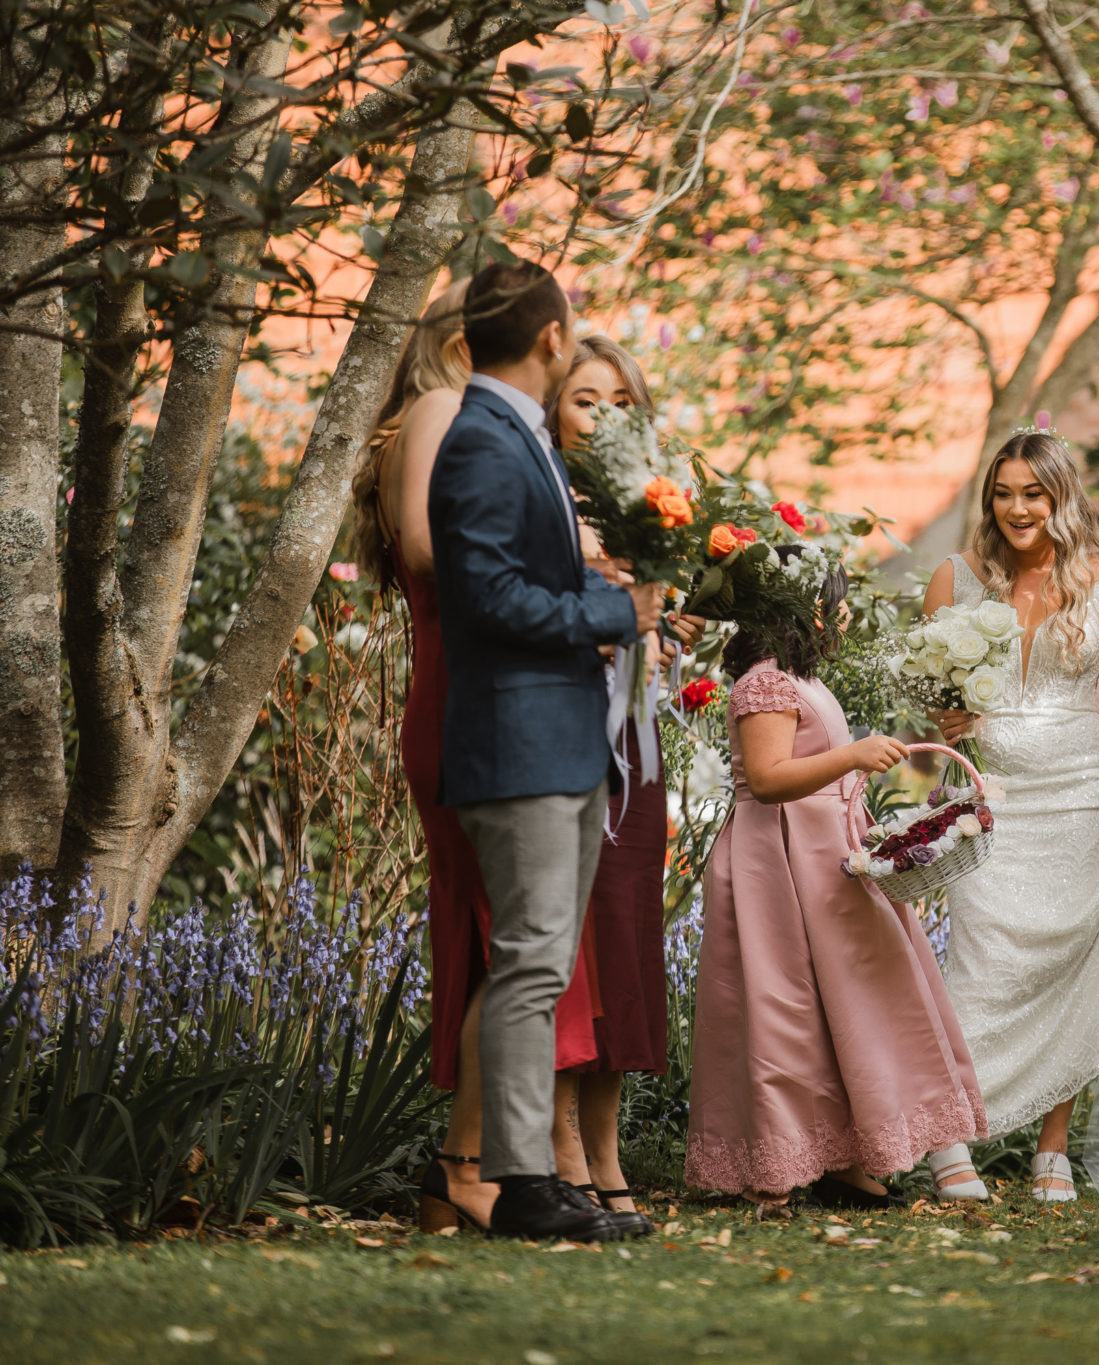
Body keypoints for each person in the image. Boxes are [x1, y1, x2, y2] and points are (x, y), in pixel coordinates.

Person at [348, 282, 606, 1235]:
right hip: (475, 692)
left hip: (515, 687)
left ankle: (488, 1164)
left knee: (518, 938)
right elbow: (428, 548)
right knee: (511, 935)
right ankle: (474, 1165)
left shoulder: (484, 420)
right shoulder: (443, 412)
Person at [427, 256, 665, 1243]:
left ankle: (530, 1175)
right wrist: (613, 609)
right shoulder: (482, 439)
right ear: (552, 340)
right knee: (530, 963)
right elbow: (481, 596)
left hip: (559, 743)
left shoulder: (511, 434)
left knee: (537, 963)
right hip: (516, 744)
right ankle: (521, 1183)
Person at [685, 550, 988, 1213]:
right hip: (776, 865)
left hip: (825, 856)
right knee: (784, 1008)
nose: (843, 612)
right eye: (835, 597)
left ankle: (846, 1160)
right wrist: (852, 754)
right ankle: (780, 1161)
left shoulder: (800, 678)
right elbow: (766, 779)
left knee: (841, 1008)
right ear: (806, 605)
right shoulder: (764, 683)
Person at [924, 429, 1099, 1202]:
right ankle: (947, 1139)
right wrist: (945, 722)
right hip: (990, 803)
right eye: (1003, 493)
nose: (1016, 508)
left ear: (1064, 496)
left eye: (1033, 493)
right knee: (978, 968)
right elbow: (935, 698)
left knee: (1071, 970)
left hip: (1080, 796)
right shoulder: (954, 579)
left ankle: (1052, 1148)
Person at [543, 335, 705, 1217]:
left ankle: (607, 1149)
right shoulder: (542, 500)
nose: (602, 417)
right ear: (556, 408)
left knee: (625, 934)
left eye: (618, 404)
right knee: (573, 945)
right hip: (563, 734)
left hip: (636, 743)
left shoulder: (652, 509)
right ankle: (559, 1140)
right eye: (585, 399)